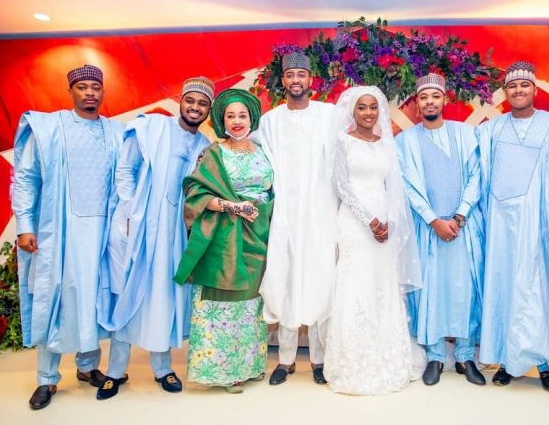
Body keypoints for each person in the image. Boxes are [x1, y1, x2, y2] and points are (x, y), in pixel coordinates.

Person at [12, 65, 123, 410]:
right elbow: (26, 178)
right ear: (71, 91)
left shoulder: (117, 131)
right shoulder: (50, 129)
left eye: (95, 87)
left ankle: (88, 366)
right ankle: (47, 378)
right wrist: (25, 225)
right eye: (82, 87)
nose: (90, 93)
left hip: (104, 232)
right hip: (61, 229)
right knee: (56, 298)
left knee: (94, 298)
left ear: (103, 92)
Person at [97, 77, 214, 400]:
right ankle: (114, 371)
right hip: (142, 224)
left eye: (202, 103)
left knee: (165, 294)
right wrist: (129, 213)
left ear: (208, 110)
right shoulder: (152, 128)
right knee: (129, 293)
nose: (195, 107)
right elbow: (125, 169)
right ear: (181, 100)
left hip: (177, 232)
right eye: (190, 100)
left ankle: (163, 368)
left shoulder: (205, 146)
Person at [477, 61, 549, 392]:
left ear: (535, 90)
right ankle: (507, 360)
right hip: (502, 225)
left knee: (540, 288)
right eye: (512, 86)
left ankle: (546, 363)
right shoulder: (491, 129)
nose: (518, 90)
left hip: (541, 222)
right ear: (504, 93)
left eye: (524, 85)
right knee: (505, 285)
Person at [323, 86, 422, 395]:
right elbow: (341, 185)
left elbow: (394, 187)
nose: (368, 112)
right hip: (355, 224)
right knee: (356, 282)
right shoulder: (342, 142)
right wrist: (369, 220)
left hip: (385, 224)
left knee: (382, 283)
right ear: (352, 111)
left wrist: (389, 220)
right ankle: (354, 362)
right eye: (362, 107)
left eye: (373, 107)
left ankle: (387, 357)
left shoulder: (386, 145)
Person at [251, 52, 342, 386]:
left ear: (310, 80)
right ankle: (286, 360)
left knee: (320, 280)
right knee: (286, 279)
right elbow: (253, 155)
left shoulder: (329, 115)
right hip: (286, 216)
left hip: (321, 214)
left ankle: (319, 359)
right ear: (283, 80)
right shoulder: (271, 121)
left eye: (301, 74)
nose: (296, 80)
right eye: (290, 75)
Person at [174, 88, 273, 393]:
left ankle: (249, 366)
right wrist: (234, 207)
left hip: (258, 234)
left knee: (251, 302)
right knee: (223, 300)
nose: (237, 121)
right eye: (231, 116)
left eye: (242, 115)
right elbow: (195, 193)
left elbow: (272, 191)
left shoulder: (263, 152)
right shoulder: (214, 153)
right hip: (222, 237)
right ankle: (223, 370)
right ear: (222, 121)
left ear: (251, 118)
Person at [396, 73, 485, 387]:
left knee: (465, 291)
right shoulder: (405, 141)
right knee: (430, 291)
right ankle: (434, 355)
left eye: (435, 96)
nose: (430, 102)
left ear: (445, 99)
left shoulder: (466, 134)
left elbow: (477, 176)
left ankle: (465, 355)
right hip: (427, 229)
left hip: (463, 228)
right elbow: (406, 186)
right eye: (424, 97)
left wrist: (459, 216)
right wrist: (434, 220)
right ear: (416, 103)